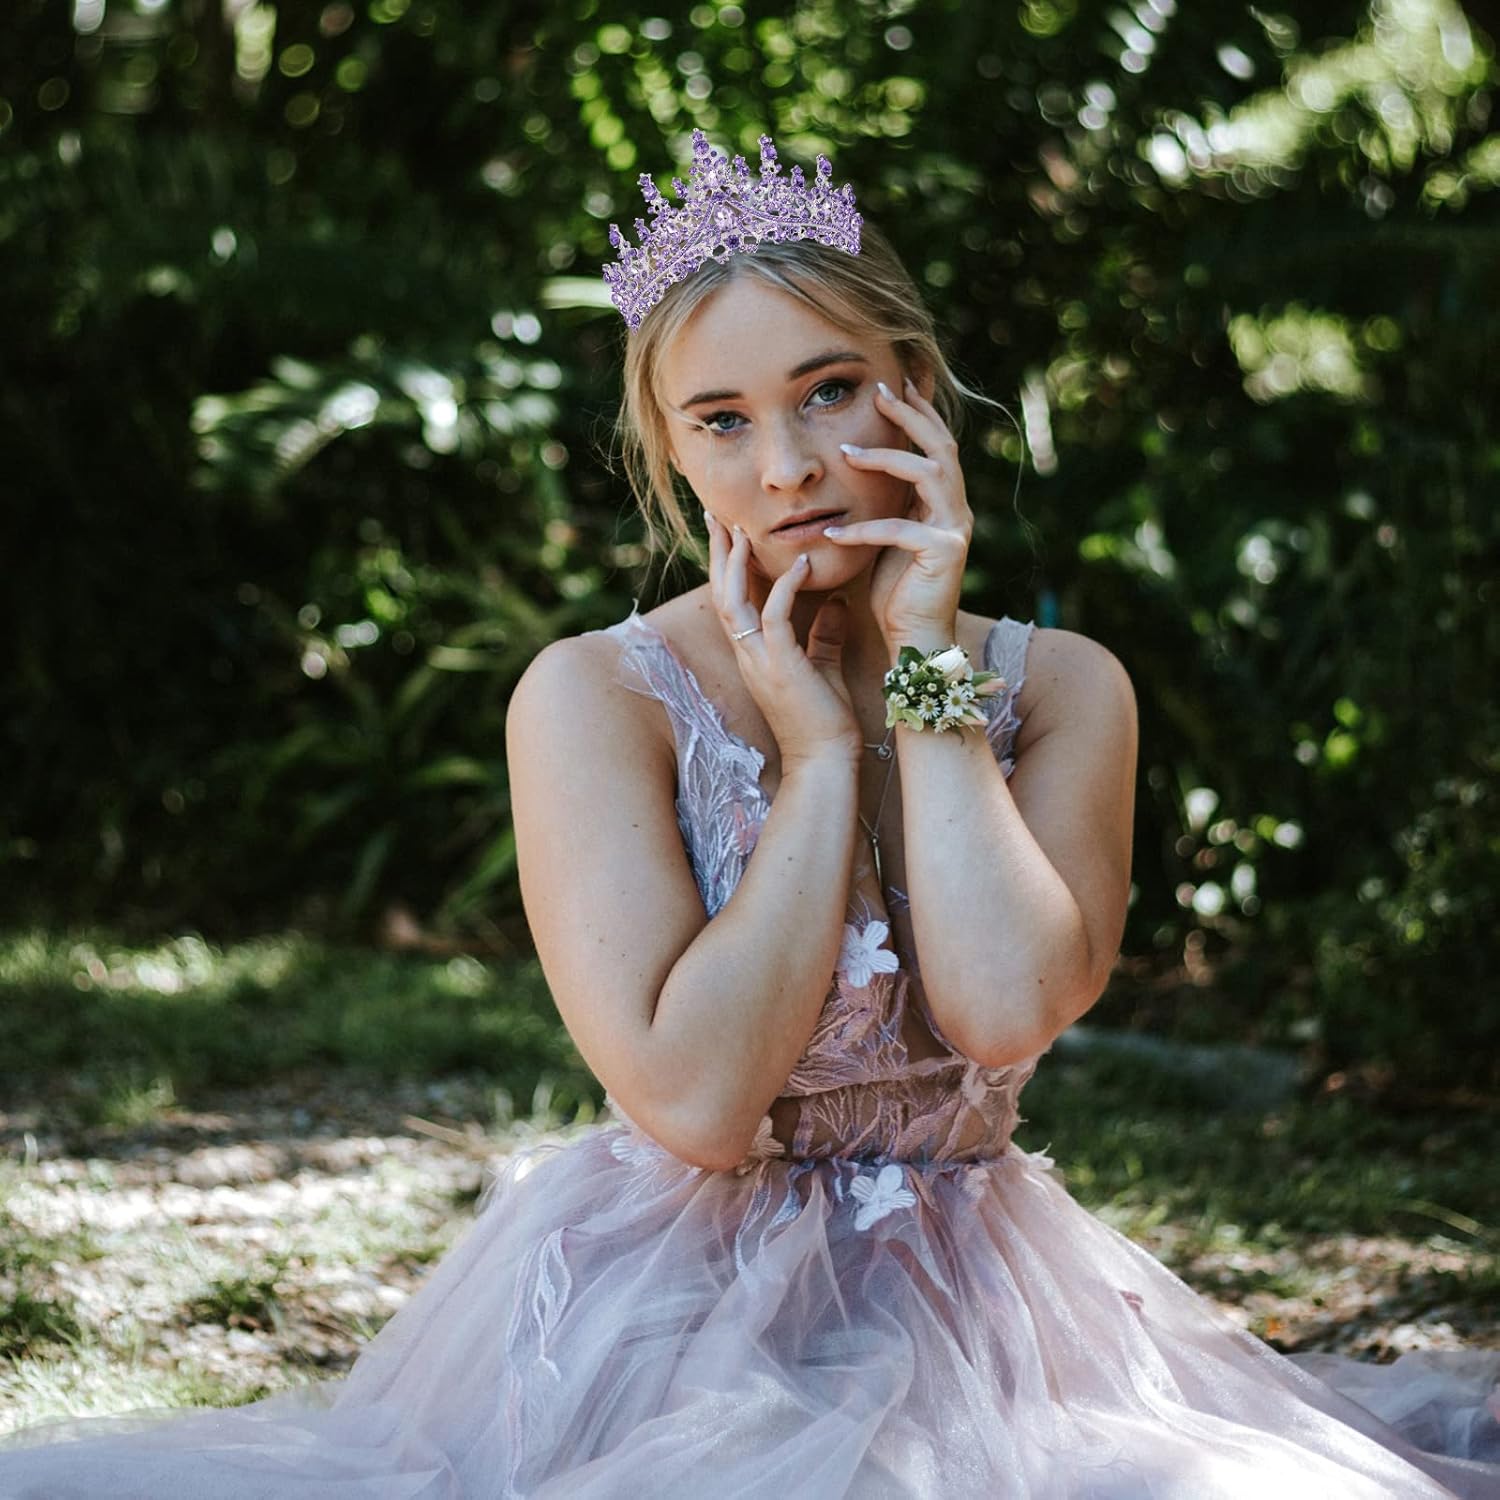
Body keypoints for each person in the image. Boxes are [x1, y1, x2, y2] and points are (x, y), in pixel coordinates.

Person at [1, 129, 1497, 1500]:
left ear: (915, 387)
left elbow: (999, 1007)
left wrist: (916, 668)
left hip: (991, 1310)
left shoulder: (1065, 691)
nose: (783, 469)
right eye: (720, 420)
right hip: (666, 1322)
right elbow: (701, 1106)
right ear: (669, 452)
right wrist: (818, 763)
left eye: (829, 391)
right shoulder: (596, 698)